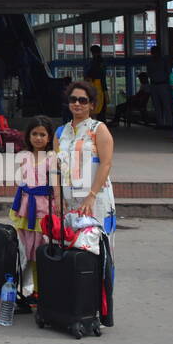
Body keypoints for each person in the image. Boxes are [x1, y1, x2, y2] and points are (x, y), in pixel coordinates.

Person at [56, 80, 116, 322]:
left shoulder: (98, 129)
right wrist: (58, 197)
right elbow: (56, 168)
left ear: (92, 104)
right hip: (70, 201)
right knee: (72, 250)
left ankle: (100, 309)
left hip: (96, 198)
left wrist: (91, 195)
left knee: (98, 251)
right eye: (73, 100)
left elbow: (106, 163)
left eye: (83, 100)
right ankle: (75, 305)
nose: (77, 104)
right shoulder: (61, 132)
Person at [10, 116, 56, 298]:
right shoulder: (25, 156)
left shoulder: (52, 158)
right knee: (26, 250)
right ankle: (25, 288)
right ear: (28, 136)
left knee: (40, 251)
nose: (38, 138)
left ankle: (40, 290)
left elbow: (57, 185)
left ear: (49, 137)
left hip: (43, 209)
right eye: (34, 134)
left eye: (42, 134)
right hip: (25, 207)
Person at [84, 44, 107, 119]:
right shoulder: (99, 62)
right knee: (97, 107)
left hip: (96, 85)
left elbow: (89, 73)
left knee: (95, 107)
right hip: (97, 85)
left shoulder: (95, 62)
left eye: (93, 52)